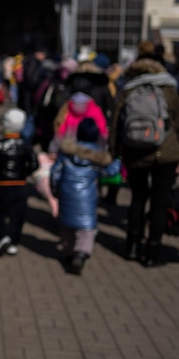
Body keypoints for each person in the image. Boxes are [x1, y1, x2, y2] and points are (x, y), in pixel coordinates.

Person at [109, 55, 179, 267]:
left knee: (137, 199)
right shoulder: (168, 88)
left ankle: (132, 246)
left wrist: (114, 150)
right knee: (159, 204)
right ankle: (152, 251)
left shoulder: (128, 89)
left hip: (135, 152)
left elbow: (116, 123)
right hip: (166, 151)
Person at [50, 118, 121, 275]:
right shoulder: (97, 158)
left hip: (66, 196)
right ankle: (80, 254)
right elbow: (111, 171)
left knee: (66, 227)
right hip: (87, 199)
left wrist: (55, 191)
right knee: (86, 230)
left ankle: (68, 253)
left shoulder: (66, 154)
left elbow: (55, 174)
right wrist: (117, 159)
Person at [0, 108, 39, 256]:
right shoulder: (26, 145)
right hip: (20, 186)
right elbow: (34, 164)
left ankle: (3, 235)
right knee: (18, 215)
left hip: (2, 185)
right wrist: (23, 174)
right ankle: (13, 241)